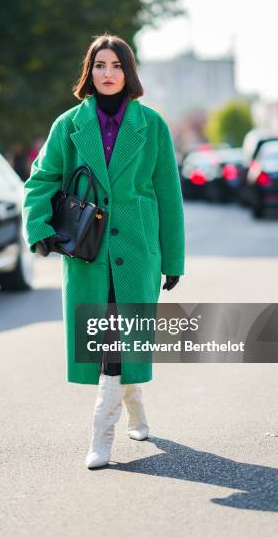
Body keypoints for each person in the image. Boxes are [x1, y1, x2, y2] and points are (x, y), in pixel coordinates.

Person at [22, 33, 185, 469]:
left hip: (138, 249)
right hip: (87, 251)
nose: (107, 73)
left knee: (119, 337)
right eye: (99, 65)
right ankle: (119, 419)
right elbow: (41, 180)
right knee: (108, 338)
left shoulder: (152, 125)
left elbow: (169, 195)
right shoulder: (67, 125)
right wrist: (39, 227)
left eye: (115, 65)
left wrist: (173, 259)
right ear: (89, 72)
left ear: (127, 72)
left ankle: (110, 424)